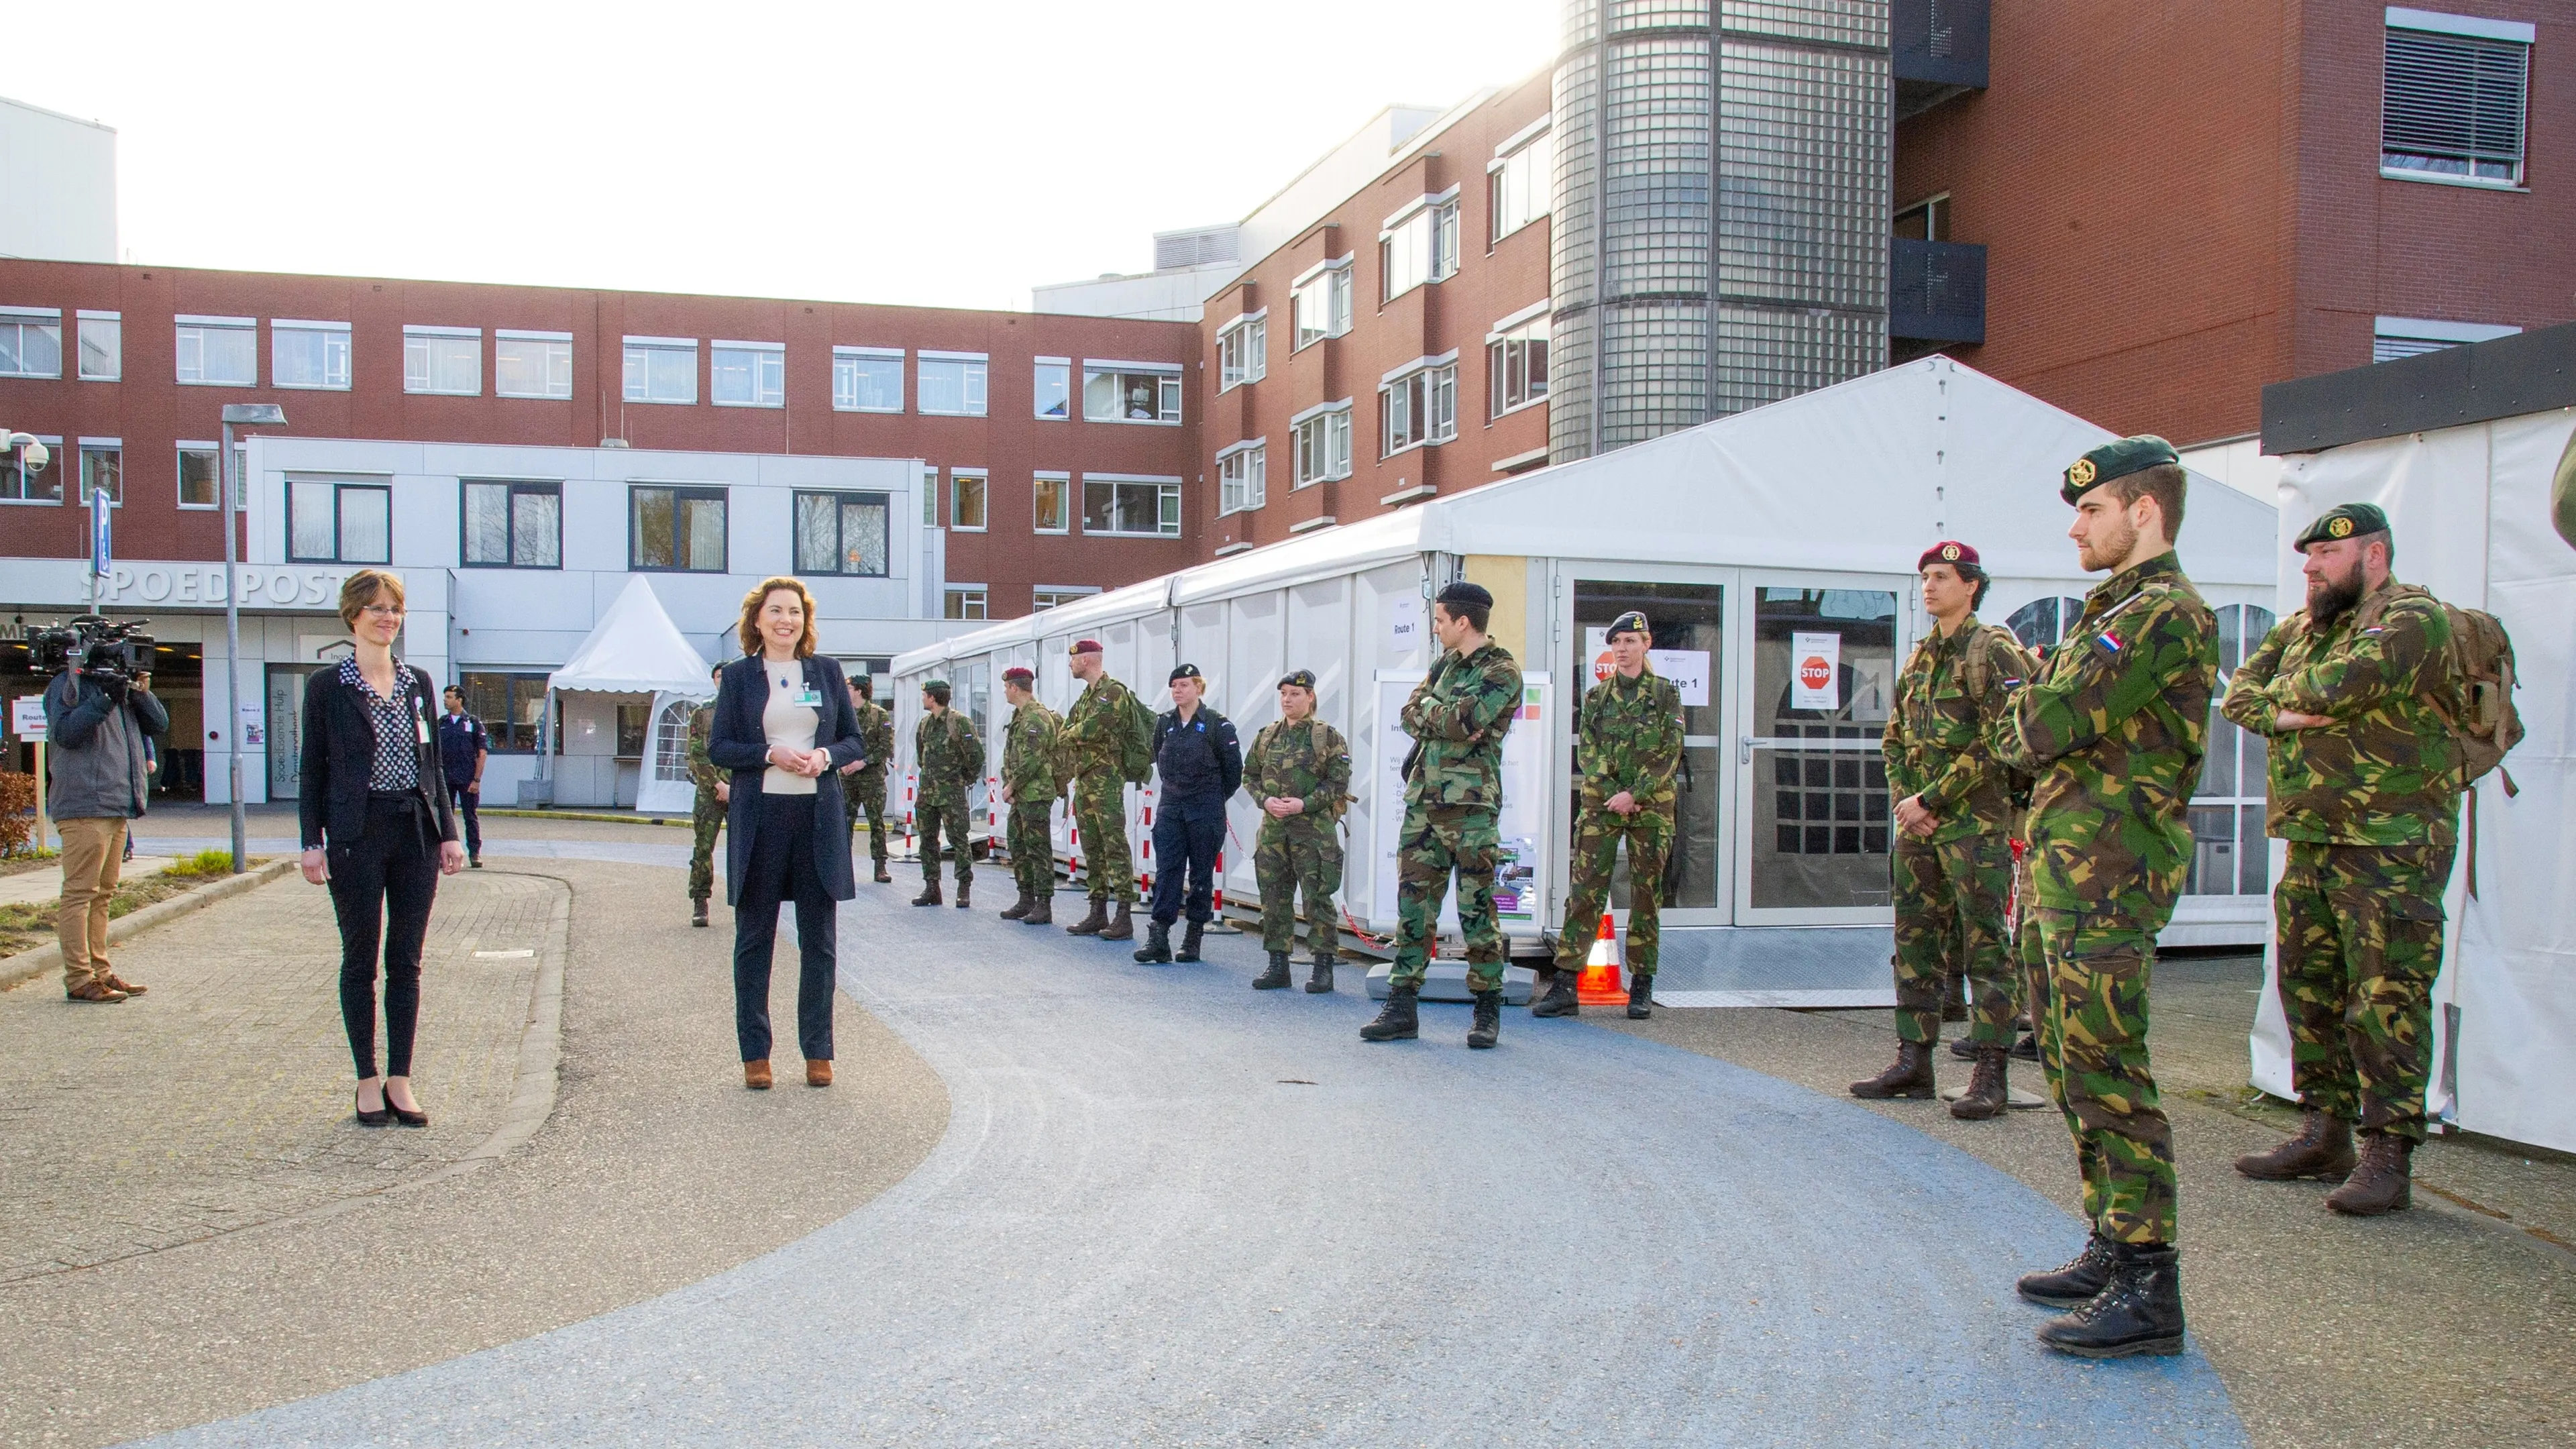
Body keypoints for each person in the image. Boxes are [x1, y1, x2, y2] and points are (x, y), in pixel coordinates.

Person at [1993, 436, 2217, 1358]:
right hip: (2067, 875)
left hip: (2110, 877)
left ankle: (2149, 1282)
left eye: (2091, 509)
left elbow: (2036, 727)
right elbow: (2039, 728)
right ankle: (2111, 1244)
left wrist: (2031, 686)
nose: (2075, 525)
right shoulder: (2113, 611)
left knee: (2110, 1073)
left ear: (2144, 511)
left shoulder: (2162, 614)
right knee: (2072, 1064)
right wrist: (2041, 691)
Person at [2222, 504, 2461, 1216]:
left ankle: (2388, 1151)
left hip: (2391, 844)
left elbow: (2341, 688)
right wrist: (2286, 713)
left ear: (2374, 553)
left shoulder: (2414, 620)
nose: (2310, 568)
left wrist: (2286, 703)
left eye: (2326, 555)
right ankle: (2325, 1131)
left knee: (2385, 997)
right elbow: (2237, 696)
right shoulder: (2301, 628)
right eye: (2307, 557)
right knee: (2310, 988)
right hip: (2314, 838)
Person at [1855, 543, 2037, 1118]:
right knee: (1914, 945)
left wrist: (1930, 798)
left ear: (1971, 585)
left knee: (1986, 947)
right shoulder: (1921, 657)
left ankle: (1990, 1070)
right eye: (1926, 577)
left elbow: (2000, 741)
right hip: (1920, 829)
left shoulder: (1995, 651)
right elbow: (1894, 740)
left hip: (1974, 827)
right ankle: (1914, 1060)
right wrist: (1909, 802)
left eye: (1941, 577)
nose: (1929, 587)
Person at [296, 570, 466, 1126]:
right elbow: (311, 771)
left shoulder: (416, 681)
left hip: (413, 831)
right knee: (361, 960)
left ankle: (401, 1078)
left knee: (407, 962)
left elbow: (433, 765)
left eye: (395, 608)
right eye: (376, 608)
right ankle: (366, 1080)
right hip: (355, 834)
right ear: (353, 616)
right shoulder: (328, 687)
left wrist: (449, 831)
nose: (387, 616)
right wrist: (310, 842)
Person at [707, 576, 865, 1090]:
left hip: (817, 818)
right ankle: (756, 1054)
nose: (785, 620)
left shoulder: (826, 671)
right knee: (755, 940)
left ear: (805, 619)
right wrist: (769, 753)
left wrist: (824, 757)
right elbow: (721, 749)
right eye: (775, 611)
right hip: (762, 819)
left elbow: (852, 741)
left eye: (794, 612)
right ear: (757, 620)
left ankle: (818, 1051)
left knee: (820, 941)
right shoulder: (738, 678)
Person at [1362, 581, 1525, 1049]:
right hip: (1424, 806)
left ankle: (1487, 1008)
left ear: (1463, 621)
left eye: (1438, 620)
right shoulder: (1445, 665)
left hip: (1471, 809)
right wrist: (1441, 713)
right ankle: (1401, 1006)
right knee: (1414, 909)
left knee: (1477, 912)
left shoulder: (1502, 671)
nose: (1435, 629)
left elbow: (1463, 723)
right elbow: (1409, 712)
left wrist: (1438, 714)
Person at [1538, 610, 1682, 1022]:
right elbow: (1588, 751)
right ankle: (1566, 983)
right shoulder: (1598, 696)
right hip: (1603, 805)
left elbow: (1669, 751)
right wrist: (1615, 795)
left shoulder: (1664, 694)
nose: (1622, 649)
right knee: (1585, 892)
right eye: (1616, 643)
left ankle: (1641, 985)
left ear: (1646, 644)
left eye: (1630, 642)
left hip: (1650, 809)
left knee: (1645, 895)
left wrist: (1635, 794)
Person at [43, 645, 169, 1002]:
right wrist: (103, 701)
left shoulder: (124, 690)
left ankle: (100, 971)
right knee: (81, 893)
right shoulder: (66, 686)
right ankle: (79, 978)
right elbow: (66, 733)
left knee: (104, 894)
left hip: (116, 804)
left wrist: (138, 692)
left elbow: (159, 724)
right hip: (85, 804)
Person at [1243, 669, 1350, 993]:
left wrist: (1303, 804)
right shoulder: (1267, 736)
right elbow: (1249, 776)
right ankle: (1278, 965)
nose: (1288, 700)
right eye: (1284, 694)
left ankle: (1323, 968)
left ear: (1311, 697)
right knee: (1274, 900)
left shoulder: (1326, 737)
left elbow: (1338, 783)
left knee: (1318, 900)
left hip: (1313, 835)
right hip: (1274, 834)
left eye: (1295, 694)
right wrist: (1266, 800)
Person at [1134, 663, 1242, 965]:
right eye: (1174, 686)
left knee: (1200, 875)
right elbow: (1159, 756)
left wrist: (1213, 800)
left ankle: (1193, 937)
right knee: (1167, 870)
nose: (1178, 691)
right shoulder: (1165, 724)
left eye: (1184, 685)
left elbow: (1234, 772)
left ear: (1199, 688)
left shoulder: (1217, 726)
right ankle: (1159, 937)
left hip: (1205, 809)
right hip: (1171, 807)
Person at [1059, 639, 1141, 941]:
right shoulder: (1085, 698)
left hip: (1106, 782)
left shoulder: (1113, 692)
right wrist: (1074, 733)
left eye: (1074, 659)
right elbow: (1066, 731)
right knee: (1091, 847)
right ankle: (1098, 910)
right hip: (1085, 781)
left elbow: (1091, 729)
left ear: (1088, 660)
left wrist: (1074, 734)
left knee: (1114, 845)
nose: (1071, 664)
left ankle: (1123, 915)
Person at [996, 666, 1063, 924]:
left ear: (1015, 687)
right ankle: (1026, 898)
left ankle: (1043, 904)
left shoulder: (1035, 717)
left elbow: (1032, 760)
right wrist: (1011, 785)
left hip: (1035, 793)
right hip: (1023, 793)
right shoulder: (1020, 716)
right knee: (1017, 843)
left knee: (1038, 848)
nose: (1005, 691)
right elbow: (1012, 755)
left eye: (1006, 687)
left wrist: (1012, 786)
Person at [912, 680, 982, 908]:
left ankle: (964, 888)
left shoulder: (959, 722)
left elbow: (976, 756)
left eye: (924, 695)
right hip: (927, 793)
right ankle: (932, 888)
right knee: (927, 841)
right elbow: (921, 754)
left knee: (959, 840)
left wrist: (963, 779)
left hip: (951, 793)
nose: (923, 698)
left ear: (932, 698)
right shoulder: (925, 724)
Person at [839, 672, 896, 884]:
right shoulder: (843, 713)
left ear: (859, 690)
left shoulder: (878, 715)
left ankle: (880, 867)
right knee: (844, 822)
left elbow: (886, 747)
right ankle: (843, 867)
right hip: (847, 778)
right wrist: (842, 762)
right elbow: (835, 740)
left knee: (877, 823)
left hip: (871, 778)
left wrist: (862, 762)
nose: (846, 691)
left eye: (850, 687)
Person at [686, 661, 727, 926]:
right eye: (720, 676)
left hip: (742, 789)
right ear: (713, 680)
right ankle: (700, 901)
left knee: (748, 850)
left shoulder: (747, 711)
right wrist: (718, 785)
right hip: (709, 791)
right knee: (703, 848)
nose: (724, 680)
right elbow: (697, 753)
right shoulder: (703, 713)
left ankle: (748, 901)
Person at [437, 685, 488, 869]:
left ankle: (474, 853)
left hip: (467, 778)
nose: (445, 700)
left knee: (470, 817)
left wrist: (476, 780)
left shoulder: (473, 723)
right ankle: (442, 855)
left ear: (459, 700)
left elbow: (482, 753)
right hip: (445, 779)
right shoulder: (441, 723)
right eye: (445, 697)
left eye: (450, 697)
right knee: (444, 816)